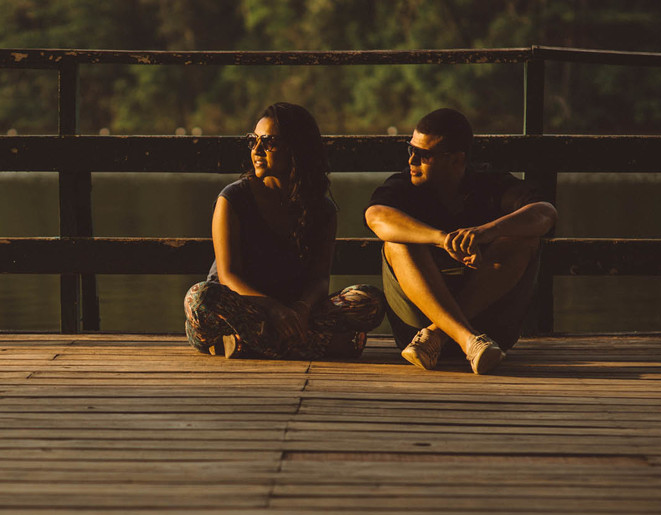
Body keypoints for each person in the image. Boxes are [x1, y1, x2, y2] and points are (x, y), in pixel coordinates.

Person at [184, 102, 385, 360]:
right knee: (199, 298)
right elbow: (228, 276)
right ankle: (317, 345)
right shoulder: (233, 199)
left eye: (269, 142)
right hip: (239, 308)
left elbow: (320, 279)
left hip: (294, 313)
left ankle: (247, 344)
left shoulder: (322, 209)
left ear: (296, 148)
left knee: (369, 302)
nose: (257, 150)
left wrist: (301, 309)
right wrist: (273, 309)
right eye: (253, 141)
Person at [364, 107, 558, 374]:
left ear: (456, 160)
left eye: (424, 155)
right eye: (410, 150)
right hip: (416, 329)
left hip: (480, 331)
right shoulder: (403, 186)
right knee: (398, 242)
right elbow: (376, 217)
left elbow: (545, 213)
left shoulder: (490, 184)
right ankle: (467, 339)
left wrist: (487, 231)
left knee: (522, 240)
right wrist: (442, 240)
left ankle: (441, 335)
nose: (412, 161)